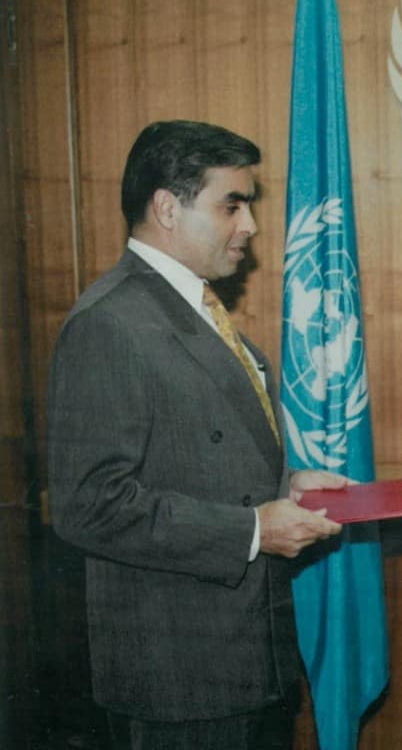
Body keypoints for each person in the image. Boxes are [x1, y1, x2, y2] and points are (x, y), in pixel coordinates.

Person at [47, 120, 350, 750]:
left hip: (244, 661)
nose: (251, 226)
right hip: (179, 681)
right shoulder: (110, 323)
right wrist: (253, 530)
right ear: (166, 207)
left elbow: (187, 452)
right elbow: (88, 505)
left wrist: (286, 484)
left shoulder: (191, 306)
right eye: (231, 205)